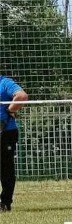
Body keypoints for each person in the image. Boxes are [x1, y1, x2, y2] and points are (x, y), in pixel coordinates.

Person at [0, 75, 28, 212]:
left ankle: (5, 202)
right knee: (6, 167)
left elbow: (22, 96)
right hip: (7, 132)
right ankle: (4, 203)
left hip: (5, 132)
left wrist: (9, 110)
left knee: (6, 167)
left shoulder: (5, 83)